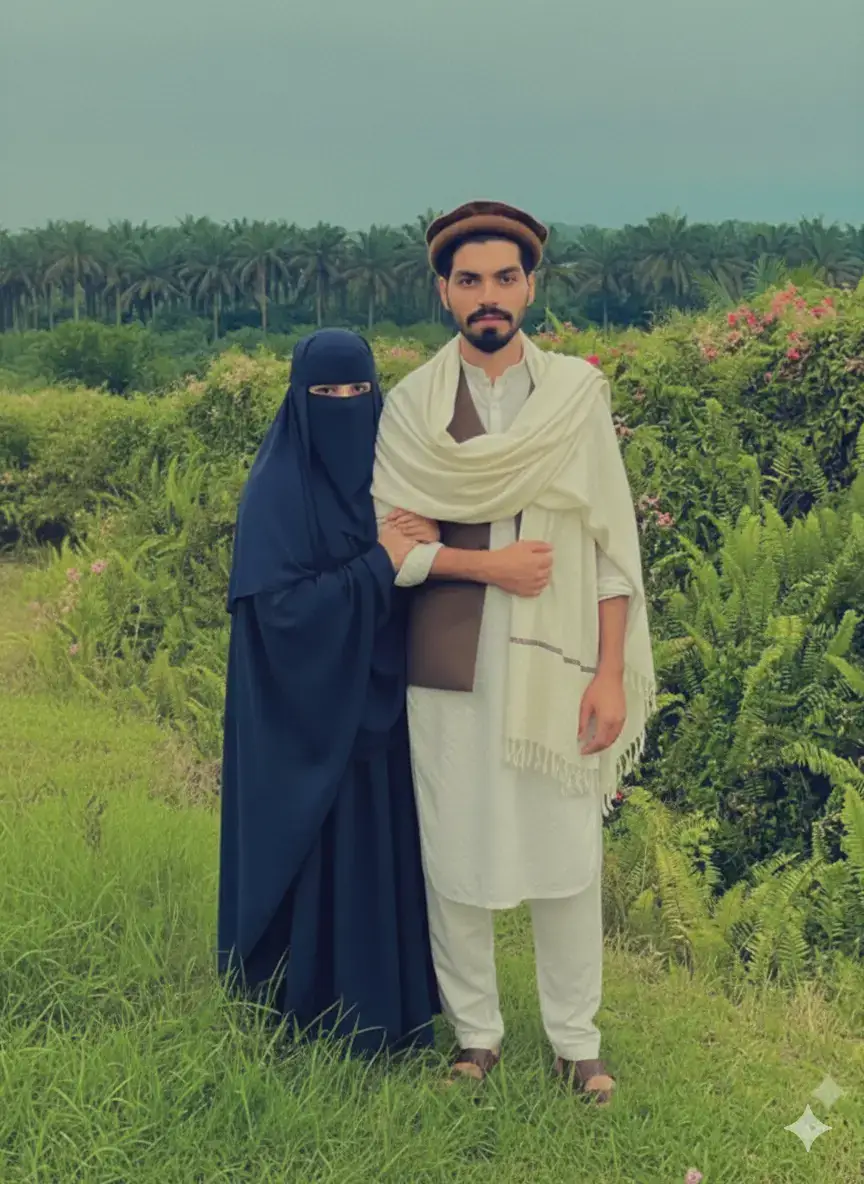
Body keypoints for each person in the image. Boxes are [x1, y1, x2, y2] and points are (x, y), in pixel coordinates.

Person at [371, 200, 656, 1101]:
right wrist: (485, 563)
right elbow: (391, 544)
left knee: (565, 854)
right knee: (454, 850)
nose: (487, 296)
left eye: (503, 278)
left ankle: (578, 1042)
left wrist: (611, 673)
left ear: (529, 285)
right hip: (449, 663)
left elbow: (612, 546)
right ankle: (477, 1035)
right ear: (443, 292)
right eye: (469, 281)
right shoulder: (411, 407)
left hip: (561, 664)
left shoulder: (576, 395)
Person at [217, 328, 440, 1057]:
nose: (346, 406)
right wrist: (380, 563)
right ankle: (302, 1008)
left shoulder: (390, 475)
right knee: (317, 851)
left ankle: (389, 1018)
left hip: (376, 707)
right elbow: (281, 611)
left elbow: (410, 563)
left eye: (359, 392)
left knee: (376, 852)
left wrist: (415, 551)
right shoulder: (275, 490)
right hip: (302, 715)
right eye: (327, 393)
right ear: (299, 398)